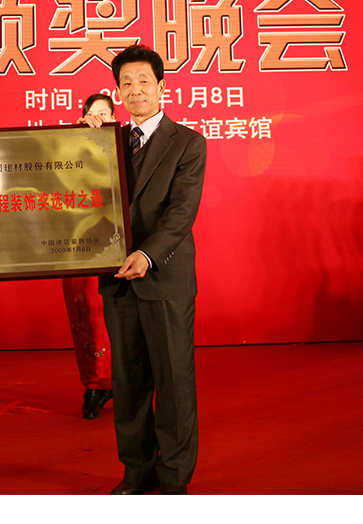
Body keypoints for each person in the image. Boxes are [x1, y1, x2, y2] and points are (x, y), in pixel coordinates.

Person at [83, 45, 206, 495]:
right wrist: (80, 143)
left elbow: (181, 213)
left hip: (163, 277)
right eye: (126, 83)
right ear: (117, 91)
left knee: (174, 382)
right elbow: (77, 194)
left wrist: (148, 255)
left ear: (161, 87)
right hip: (117, 280)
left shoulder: (188, 142)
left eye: (143, 81)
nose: (135, 90)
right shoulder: (105, 141)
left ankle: (174, 477)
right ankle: (137, 471)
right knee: (129, 382)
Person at [64, 94, 116, 419]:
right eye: (92, 113)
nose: (98, 119)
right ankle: (95, 384)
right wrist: (79, 136)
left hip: (116, 243)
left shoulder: (122, 144)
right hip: (79, 244)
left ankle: (119, 382)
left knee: (114, 316)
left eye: (104, 114)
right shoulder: (72, 143)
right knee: (86, 314)